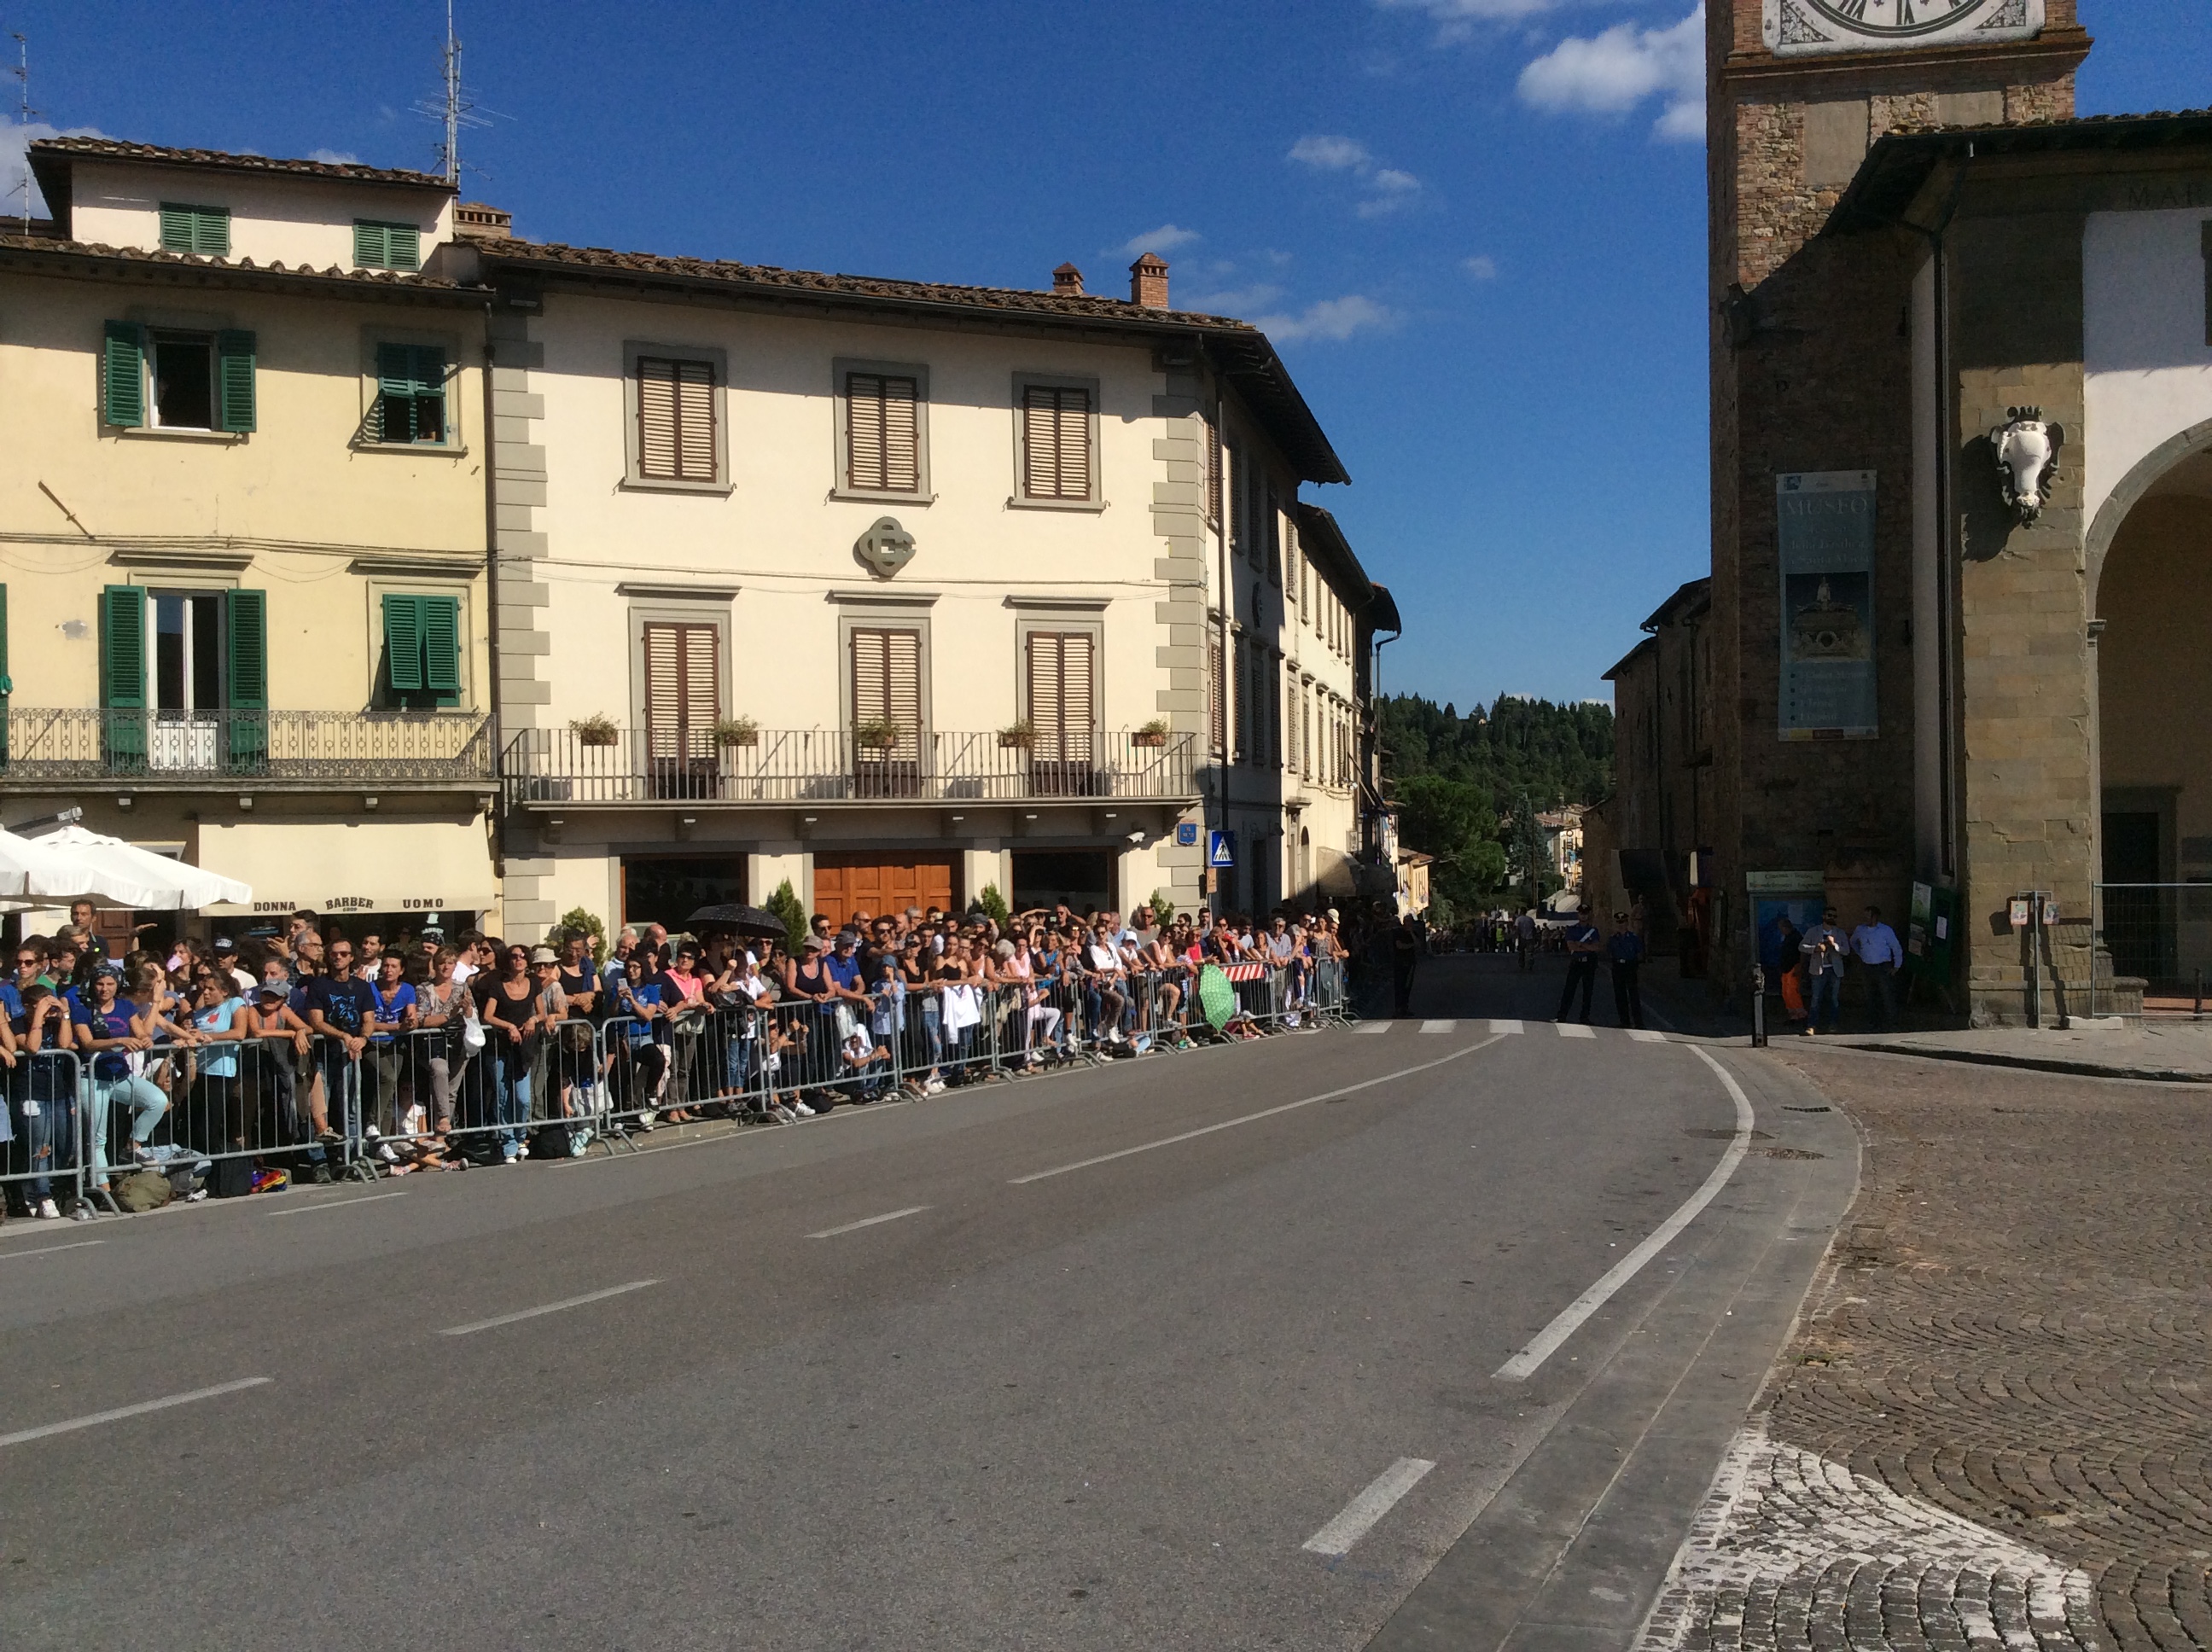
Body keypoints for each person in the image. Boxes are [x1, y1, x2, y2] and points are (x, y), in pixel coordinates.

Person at [70, 962, 170, 1184]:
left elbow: (142, 1033)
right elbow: (87, 1043)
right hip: (93, 1078)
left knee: (158, 1100)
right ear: (92, 985)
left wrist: (144, 1040)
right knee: (98, 1139)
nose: (104, 989)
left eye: (110, 984)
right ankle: (103, 1187)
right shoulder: (82, 1008)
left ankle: (133, 1145)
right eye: (99, 984)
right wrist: (118, 1041)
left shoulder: (125, 1007)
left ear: (118, 985)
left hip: (120, 1075)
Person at [1849, 905, 1905, 1032]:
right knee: (1870, 996)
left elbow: (1896, 948)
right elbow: (1853, 942)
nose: (1865, 918)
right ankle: (1873, 1022)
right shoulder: (1860, 929)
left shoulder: (1885, 930)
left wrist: (1897, 966)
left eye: (1868, 916)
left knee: (1887, 996)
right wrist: (1861, 953)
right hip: (1867, 966)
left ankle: (1892, 1023)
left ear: (1875, 917)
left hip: (1882, 966)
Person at [1799, 906, 1849, 1037]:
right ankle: (1812, 1025)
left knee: (1834, 998)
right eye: (1830, 915)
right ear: (1824, 916)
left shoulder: (1840, 933)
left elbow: (1847, 950)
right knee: (1816, 998)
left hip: (1835, 970)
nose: (1832, 918)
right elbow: (1802, 946)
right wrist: (1815, 948)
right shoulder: (1813, 931)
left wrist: (1835, 946)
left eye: (1834, 916)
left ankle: (1832, 1024)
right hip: (1818, 970)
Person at [1557, 906, 1604, 1025]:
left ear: (1589, 915)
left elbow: (1596, 947)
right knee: (1569, 989)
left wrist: (1581, 945)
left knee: (1588, 991)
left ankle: (1584, 1017)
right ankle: (1562, 1015)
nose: (1583, 916)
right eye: (1582, 914)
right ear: (1578, 915)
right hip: (1576, 962)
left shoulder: (1593, 930)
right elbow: (1571, 947)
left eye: (1586, 914)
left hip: (1589, 962)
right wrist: (1587, 946)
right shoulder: (1572, 930)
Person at [1606, 910, 1645, 1030]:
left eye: (1623, 922)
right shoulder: (1613, 938)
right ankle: (1624, 1021)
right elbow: (1610, 952)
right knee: (1620, 994)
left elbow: (1639, 952)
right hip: (1618, 966)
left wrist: (1636, 965)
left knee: (1633, 994)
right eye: (1619, 922)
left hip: (1630, 966)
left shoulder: (1633, 938)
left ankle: (1638, 1022)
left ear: (1627, 923)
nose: (1621, 925)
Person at [1389, 912, 1421, 1017]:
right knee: (1399, 986)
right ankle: (1398, 1008)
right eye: (1407, 921)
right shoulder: (1398, 932)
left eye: (1410, 922)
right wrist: (1411, 945)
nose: (1409, 924)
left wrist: (1411, 933)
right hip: (1399, 962)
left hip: (1410, 962)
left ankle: (1405, 1007)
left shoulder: (1414, 933)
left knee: (1408, 986)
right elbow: (1400, 946)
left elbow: (1418, 945)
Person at [1515, 907, 1539, 973]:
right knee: (1530, 952)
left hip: (1522, 938)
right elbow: (1534, 929)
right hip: (1530, 938)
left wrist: (1517, 936)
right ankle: (1530, 964)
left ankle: (1522, 964)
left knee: (1521, 952)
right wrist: (1535, 937)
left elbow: (1517, 929)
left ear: (1520, 912)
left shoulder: (1518, 919)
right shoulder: (1530, 919)